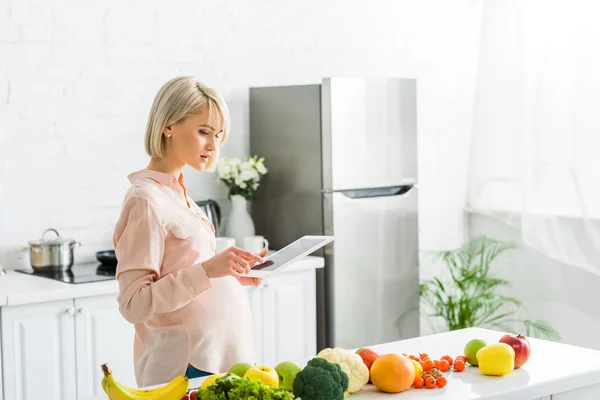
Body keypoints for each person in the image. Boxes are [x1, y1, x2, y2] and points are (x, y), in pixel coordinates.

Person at [113, 76, 266, 388]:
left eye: (218, 135)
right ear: (168, 125)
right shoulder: (145, 199)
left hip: (222, 359)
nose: (213, 145)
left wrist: (229, 274)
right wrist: (209, 270)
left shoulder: (178, 194)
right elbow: (134, 304)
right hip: (187, 366)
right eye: (203, 132)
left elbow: (186, 273)